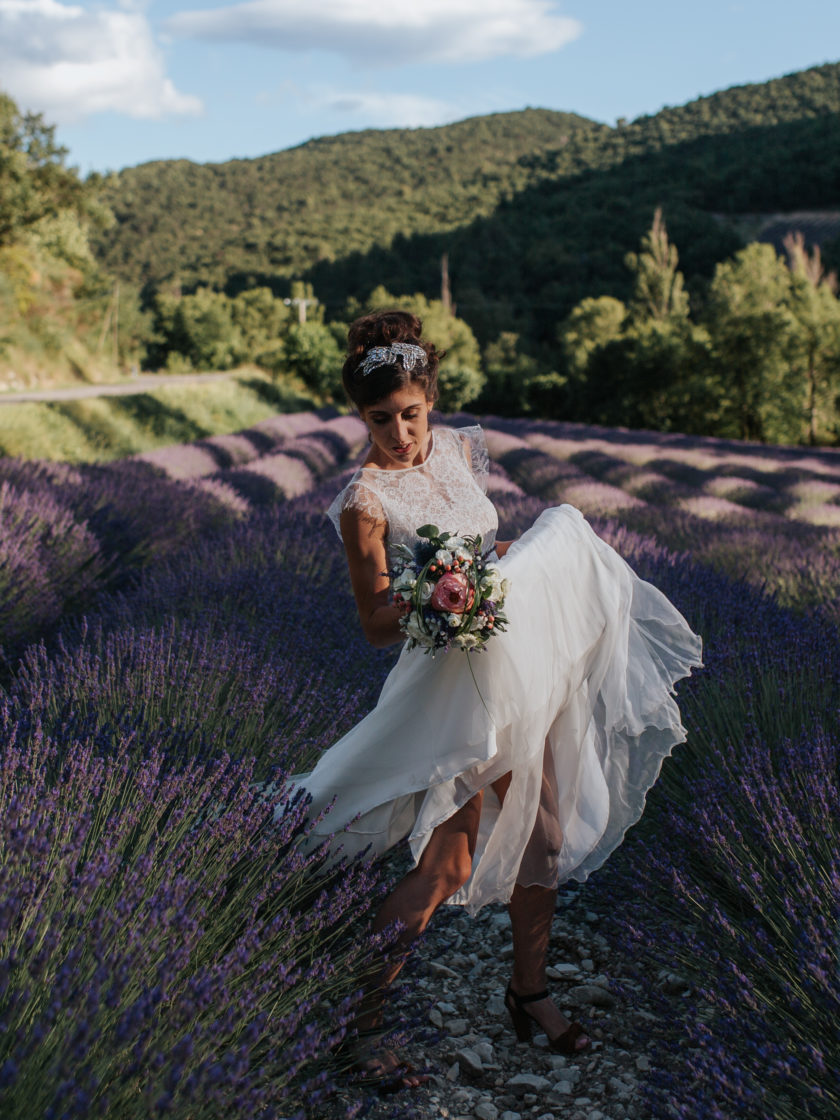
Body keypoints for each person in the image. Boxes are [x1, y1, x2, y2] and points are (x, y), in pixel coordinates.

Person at [289, 309, 703, 1090]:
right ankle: (359, 1027)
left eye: (411, 414)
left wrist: (491, 564)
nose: (401, 434)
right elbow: (376, 624)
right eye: (381, 420)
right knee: (445, 866)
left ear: (431, 401)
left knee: (542, 833)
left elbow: (479, 541)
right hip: (451, 682)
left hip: (517, 658)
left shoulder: (458, 450)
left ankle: (530, 994)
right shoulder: (364, 502)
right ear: (359, 417)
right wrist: (435, 599)